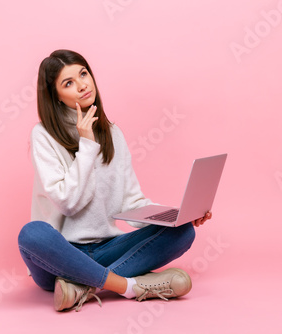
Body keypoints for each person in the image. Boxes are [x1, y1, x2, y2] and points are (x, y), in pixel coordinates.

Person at [17, 49, 212, 312]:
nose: (83, 85)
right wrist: (86, 144)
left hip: (108, 248)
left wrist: (177, 216)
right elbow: (68, 203)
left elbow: (131, 202)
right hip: (60, 255)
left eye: (83, 74)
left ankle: (81, 287)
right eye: (68, 83)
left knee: (184, 232)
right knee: (32, 234)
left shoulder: (112, 133)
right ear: (56, 96)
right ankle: (129, 286)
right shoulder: (43, 135)